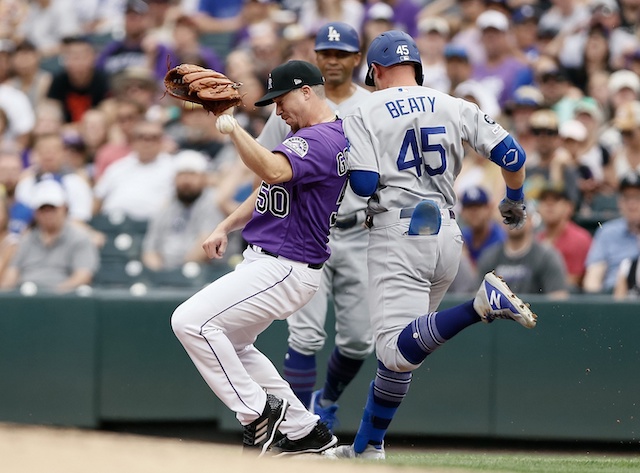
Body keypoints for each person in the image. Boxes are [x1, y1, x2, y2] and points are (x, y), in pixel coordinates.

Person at [326, 30, 537, 460]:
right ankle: (369, 448)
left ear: (377, 70)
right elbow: (513, 157)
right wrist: (513, 198)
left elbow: (365, 183)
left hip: (398, 230)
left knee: (393, 350)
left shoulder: (362, 108)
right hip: (446, 234)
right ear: (417, 69)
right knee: (403, 352)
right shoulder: (453, 103)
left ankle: (480, 306)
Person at [171, 60, 347, 456]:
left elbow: (271, 168)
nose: (277, 110)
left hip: (286, 265)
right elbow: (270, 187)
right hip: (270, 261)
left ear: (307, 91)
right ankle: (305, 431)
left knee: (189, 322)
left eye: (281, 100)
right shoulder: (306, 133)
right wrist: (225, 226)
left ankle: (256, 412)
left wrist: (233, 126)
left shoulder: (322, 139)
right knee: (233, 344)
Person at [257, 22, 374, 430]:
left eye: (341, 54)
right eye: (326, 53)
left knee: (360, 340)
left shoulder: (372, 106)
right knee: (304, 337)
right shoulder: (290, 105)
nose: (333, 60)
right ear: (317, 58)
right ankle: (299, 426)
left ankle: (327, 401)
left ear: (356, 59)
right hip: (308, 231)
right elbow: (269, 168)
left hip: (360, 229)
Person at [0, 179, 99, 293]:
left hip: (63, 299)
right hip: (26, 296)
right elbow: (12, 273)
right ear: (35, 212)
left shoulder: (79, 238)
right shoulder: (26, 239)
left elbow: (83, 276)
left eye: (52, 209)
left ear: (64, 208)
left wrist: (52, 296)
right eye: (43, 209)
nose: (48, 214)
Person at [141, 150, 227, 271]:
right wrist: (159, 273)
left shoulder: (212, 201)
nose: (186, 180)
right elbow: (150, 249)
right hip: (165, 272)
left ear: (203, 178)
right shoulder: (167, 204)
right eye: (181, 175)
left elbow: (205, 246)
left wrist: (178, 273)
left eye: (192, 174)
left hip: (201, 271)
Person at [93, 120, 175, 221]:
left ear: (161, 141)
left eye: (153, 138)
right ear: (133, 141)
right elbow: (98, 197)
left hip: (150, 225)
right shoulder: (118, 167)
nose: (147, 143)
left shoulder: (173, 167)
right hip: (112, 221)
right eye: (142, 137)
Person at [583, 170, 640, 293]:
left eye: (637, 197)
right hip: (612, 299)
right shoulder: (608, 232)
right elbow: (592, 281)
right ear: (620, 201)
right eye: (626, 197)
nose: (632, 204)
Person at [536, 184, 593, 291]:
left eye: (556, 200)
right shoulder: (536, 239)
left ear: (569, 207)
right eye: (544, 200)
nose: (549, 204)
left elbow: (574, 280)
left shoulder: (580, 238)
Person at [460, 185, 506, 265]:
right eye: (469, 207)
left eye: (478, 206)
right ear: (462, 211)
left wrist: (466, 259)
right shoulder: (461, 237)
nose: (473, 212)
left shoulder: (501, 239)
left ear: (489, 209)